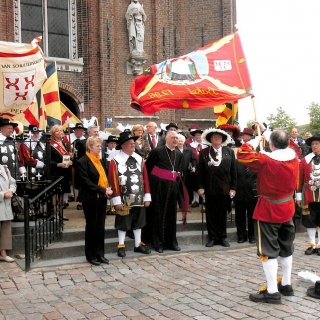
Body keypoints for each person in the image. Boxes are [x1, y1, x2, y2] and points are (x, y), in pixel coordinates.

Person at [237, 122, 299, 304]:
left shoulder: (265, 160)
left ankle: (272, 291)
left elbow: (242, 154)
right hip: (287, 208)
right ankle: (286, 284)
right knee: (287, 247)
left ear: (271, 144)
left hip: (268, 210)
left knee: (268, 250)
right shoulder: (294, 156)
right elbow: (291, 144)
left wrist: (256, 140)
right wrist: (266, 132)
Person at [108, 131, 151, 257]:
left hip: (139, 196)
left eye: (133, 143)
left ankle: (138, 244)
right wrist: (116, 200)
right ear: (123, 146)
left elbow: (146, 179)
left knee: (139, 220)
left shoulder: (140, 159)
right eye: (130, 144)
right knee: (123, 222)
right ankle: (121, 245)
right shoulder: (115, 161)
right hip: (123, 197)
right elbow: (113, 181)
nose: (133, 146)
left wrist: (147, 196)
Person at [143, 131, 185, 252]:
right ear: (166, 139)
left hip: (172, 190)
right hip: (158, 189)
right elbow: (148, 168)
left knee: (171, 217)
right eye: (173, 138)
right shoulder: (157, 151)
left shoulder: (179, 154)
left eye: (177, 138)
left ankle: (171, 242)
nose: (175, 140)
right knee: (158, 216)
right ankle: (158, 243)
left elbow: (179, 172)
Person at [197, 128, 237, 248]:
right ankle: (213, 238)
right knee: (211, 214)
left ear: (223, 139)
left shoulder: (229, 152)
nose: (217, 138)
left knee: (222, 214)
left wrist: (233, 188)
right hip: (210, 188)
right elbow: (200, 172)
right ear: (210, 139)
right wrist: (200, 187)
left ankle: (222, 237)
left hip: (225, 188)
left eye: (219, 137)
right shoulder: (204, 153)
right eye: (214, 136)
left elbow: (233, 171)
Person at [77, 136, 113, 266]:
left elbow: (104, 176)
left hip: (102, 198)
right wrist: (102, 190)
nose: (100, 148)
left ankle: (100, 254)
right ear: (90, 147)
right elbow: (86, 182)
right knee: (92, 227)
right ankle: (90, 255)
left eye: (100, 146)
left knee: (100, 227)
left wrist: (106, 189)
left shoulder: (100, 161)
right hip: (90, 198)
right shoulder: (83, 161)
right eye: (97, 146)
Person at [296, 133, 320, 256]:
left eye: (317, 144)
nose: (314, 146)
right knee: (309, 220)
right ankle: (311, 244)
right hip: (308, 195)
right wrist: (299, 196)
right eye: (313, 144)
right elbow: (299, 179)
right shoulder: (305, 161)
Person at [234, 128, 257, 244]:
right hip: (239, 191)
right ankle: (241, 235)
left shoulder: (255, 159)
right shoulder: (237, 158)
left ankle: (252, 235)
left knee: (252, 215)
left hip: (252, 192)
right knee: (240, 215)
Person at [18, 125, 46, 210]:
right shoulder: (25, 144)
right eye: (34, 133)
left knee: (40, 189)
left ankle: (39, 208)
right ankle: (30, 209)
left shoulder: (41, 144)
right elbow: (27, 158)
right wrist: (41, 164)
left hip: (41, 172)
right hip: (30, 171)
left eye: (37, 133)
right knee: (30, 189)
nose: (36, 135)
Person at [49, 125, 73, 218]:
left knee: (62, 192)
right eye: (57, 131)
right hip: (56, 171)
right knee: (55, 193)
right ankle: (55, 213)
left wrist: (70, 159)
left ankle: (61, 212)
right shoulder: (50, 144)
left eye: (61, 130)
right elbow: (48, 160)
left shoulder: (65, 144)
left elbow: (66, 158)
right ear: (53, 133)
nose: (60, 132)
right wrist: (58, 164)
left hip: (65, 171)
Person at [0, 163, 17, 262]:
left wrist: (11, 191)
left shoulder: (5, 168)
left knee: (5, 230)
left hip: (6, 206)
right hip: (2, 200)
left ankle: (3, 253)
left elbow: (13, 183)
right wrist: (2, 195)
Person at [177, 133, 196, 211]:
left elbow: (193, 159)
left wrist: (194, 167)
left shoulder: (188, 150)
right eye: (179, 141)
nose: (180, 142)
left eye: (182, 141)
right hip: (176, 173)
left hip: (186, 173)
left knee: (186, 190)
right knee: (177, 189)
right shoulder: (173, 150)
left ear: (184, 142)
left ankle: (185, 206)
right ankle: (177, 206)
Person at [188, 128, 207, 207]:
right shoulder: (190, 146)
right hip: (195, 167)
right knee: (195, 183)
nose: (198, 136)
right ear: (194, 137)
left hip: (204, 167)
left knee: (204, 182)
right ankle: (195, 200)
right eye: (196, 135)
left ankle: (204, 200)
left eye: (199, 135)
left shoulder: (206, 145)